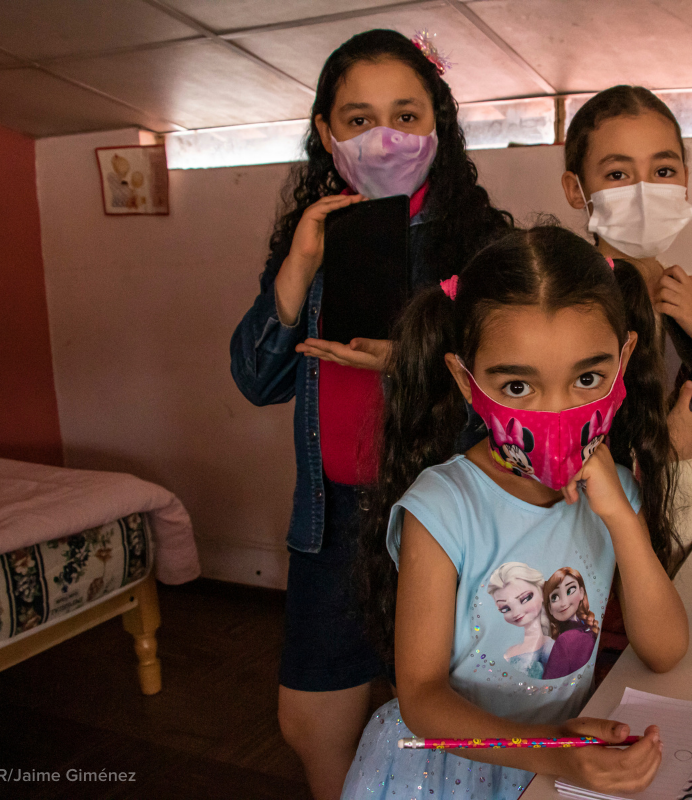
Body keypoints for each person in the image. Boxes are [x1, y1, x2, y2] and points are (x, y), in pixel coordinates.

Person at [229, 29, 512, 800]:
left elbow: (522, 398)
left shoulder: (480, 245)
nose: (382, 136)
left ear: (437, 126)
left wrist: (413, 361)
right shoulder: (317, 238)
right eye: (358, 119)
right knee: (313, 724)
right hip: (331, 519)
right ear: (326, 132)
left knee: (449, 721)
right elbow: (258, 380)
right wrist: (299, 265)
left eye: (405, 115)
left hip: (448, 521)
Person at [345, 225, 688, 799]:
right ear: (466, 379)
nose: (557, 412)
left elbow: (666, 650)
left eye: (587, 379)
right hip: (446, 776)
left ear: (624, 359)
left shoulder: (616, 493)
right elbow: (423, 698)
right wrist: (555, 752)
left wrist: (623, 520)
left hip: (552, 770)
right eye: (518, 387)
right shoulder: (444, 506)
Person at [561, 85, 692, 547]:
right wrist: (659, 450)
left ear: (685, 180)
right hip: (614, 556)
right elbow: (558, 460)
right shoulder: (568, 305)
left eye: (663, 170)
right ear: (577, 189)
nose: (644, 191)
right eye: (618, 173)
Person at [542, 566, 599, 679]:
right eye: (555, 597)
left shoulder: (566, 639)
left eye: (570, 590)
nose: (564, 603)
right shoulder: (587, 628)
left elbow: (550, 684)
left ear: (581, 592)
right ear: (549, 608)